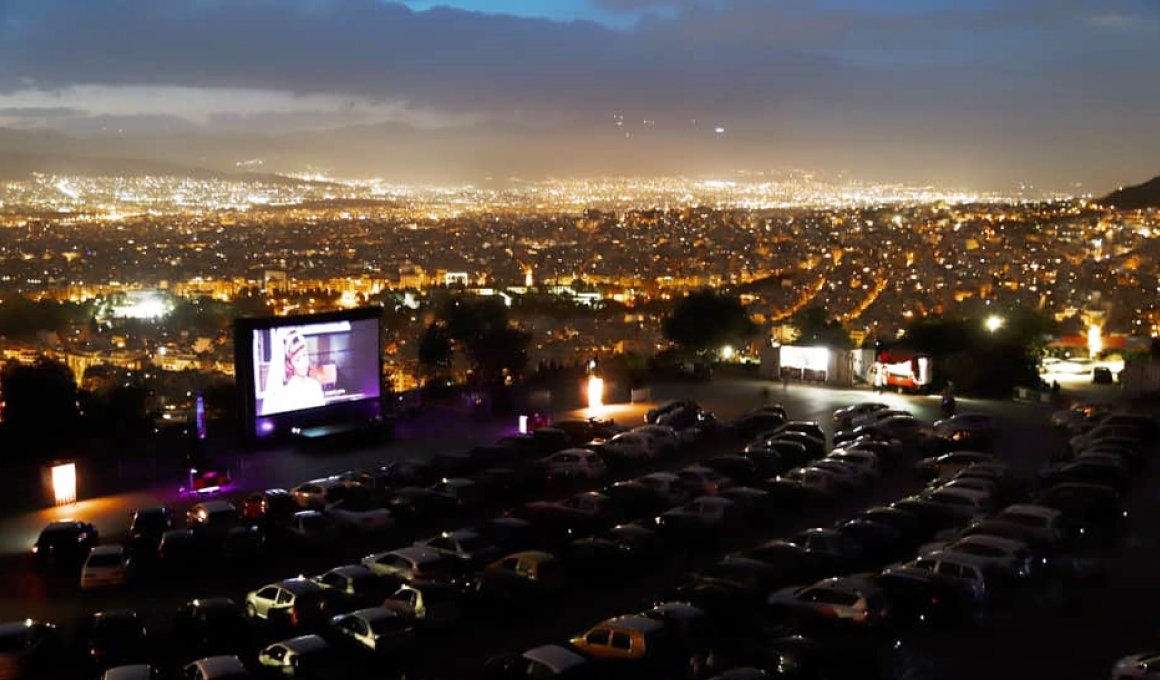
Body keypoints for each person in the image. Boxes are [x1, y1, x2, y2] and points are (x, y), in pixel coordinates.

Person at [260, 328, 326, 415]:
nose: (304, 363)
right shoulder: (282, 394)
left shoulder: (315, 386)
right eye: (298, 359)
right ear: (289, 363)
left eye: (304, 355)